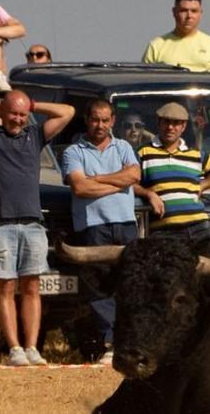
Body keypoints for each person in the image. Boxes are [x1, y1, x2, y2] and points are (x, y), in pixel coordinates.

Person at [0, 90, 74, 366]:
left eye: (24, 115)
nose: (19, 119)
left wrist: (32, 103)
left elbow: (67, 112)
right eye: (14, 113)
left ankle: (33, 347)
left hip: (33, 224)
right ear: (2, 112)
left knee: (32, 286)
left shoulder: (34, 137)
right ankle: (14, 348)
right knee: (5, 287)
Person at [60, 99, 143, 359]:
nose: (100, 125)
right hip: (93, 227)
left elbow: (134, 177)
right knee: (98, 286)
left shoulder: (124, 147)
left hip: (125, 224)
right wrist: (118, 183)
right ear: (87, 119)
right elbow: (80, 188)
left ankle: (128, 340)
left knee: (129, 284)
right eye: (95, 119)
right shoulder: (74, 152)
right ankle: (108, 342)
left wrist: (97, 179)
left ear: (113, 121)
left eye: (105, 120)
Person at [136, 102, 210, 240]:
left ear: (183, 126)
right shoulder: (143, 153)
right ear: (159, 123)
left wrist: (203, 185)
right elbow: (127, 182)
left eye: (176, 123)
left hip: (199, 227)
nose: (170, 127)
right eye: (166, 122)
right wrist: (148, 194)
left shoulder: (195, 155)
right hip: (165, 231)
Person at [142, 0, 210, 73]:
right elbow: (145, 81)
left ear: (200, 13)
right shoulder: (156, 46)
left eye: (194, 11)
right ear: (174, 12)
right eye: (183, 11)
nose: (189, 16)